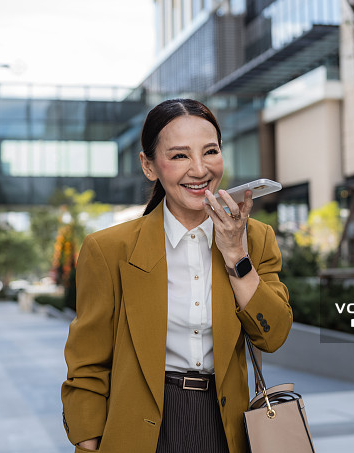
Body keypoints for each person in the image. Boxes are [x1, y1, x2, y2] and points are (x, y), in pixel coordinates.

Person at [61, 98, 292, 453]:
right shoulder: (108, 249)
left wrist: (236, 256)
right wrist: (87, 442)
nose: (199, 170)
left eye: (210, 151)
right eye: (180, 155)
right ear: (149, 165)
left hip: (226, 427)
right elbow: (87, 364)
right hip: (136, 429)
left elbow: (273, 335)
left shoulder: (256, 239)